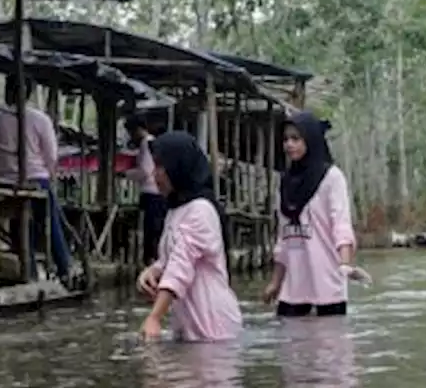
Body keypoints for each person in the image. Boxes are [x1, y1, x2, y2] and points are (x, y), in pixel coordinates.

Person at [135, 131, 243, 342]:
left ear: (178, 168)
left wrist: (155, 317)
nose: (154, 175)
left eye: (160, 167)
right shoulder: (176, 210)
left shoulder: (200, 211)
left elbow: (180, 266)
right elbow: (170, 260)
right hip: (189, 327)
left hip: (214, 327)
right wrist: (153, 270)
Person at [262, 111, 370, 317]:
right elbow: (283, 236)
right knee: (291, 343)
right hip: (294, 284)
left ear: (310, 139)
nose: (289, 145)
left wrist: (345, 264)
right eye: (285, 140)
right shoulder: (285, 182)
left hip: (327, 280)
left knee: (329, 343)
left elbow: (341, 224)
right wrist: (275, 282)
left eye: (296, 138)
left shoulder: (331, 178)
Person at [0, 74, 72, 281]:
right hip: (37, 179)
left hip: (7, 180)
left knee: (19, 229)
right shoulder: (40, 119)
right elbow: (51, 156)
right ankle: (65, 270)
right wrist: (51, 176)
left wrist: (6, 169)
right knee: (51, 227)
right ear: (29, 94)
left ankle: (29, 272)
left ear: (7, 91)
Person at [123, 114, 167, 267]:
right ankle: (155, 260)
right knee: (155, 230)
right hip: (156, 192)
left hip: (151, 192)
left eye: (131, 132)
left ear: (137, 130)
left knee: (151, 231)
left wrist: (126, 174)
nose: (130, 136)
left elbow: (145, 171)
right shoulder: (154, 143)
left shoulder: (146, 144)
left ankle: (151, 262)